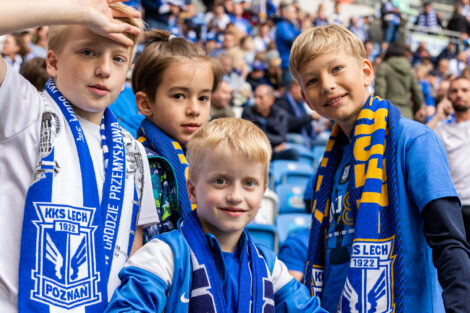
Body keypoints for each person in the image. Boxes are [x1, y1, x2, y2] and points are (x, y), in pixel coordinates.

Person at [289, 24, 470, 313]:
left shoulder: (414, 140)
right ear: (305, 97)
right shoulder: (327, 165)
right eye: (311, 81)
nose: (326, 84)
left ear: (366, 71)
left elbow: (448, 241)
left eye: (336, 69)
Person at [0, 1, 159, 312]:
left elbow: (132, 252)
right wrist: (76, 12)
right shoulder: (23, 110)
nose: (104, 68)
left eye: (118, 59)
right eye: (88, 51)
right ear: (53, 62)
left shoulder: (134, 151)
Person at [105, 117, 326, 312]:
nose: (235, 196)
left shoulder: (269, 265)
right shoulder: (163, 255)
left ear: (263, 191)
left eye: (249, 183)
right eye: (221, 181)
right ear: (192, 190)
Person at [131, 29, 223, 241]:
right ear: (146, 103)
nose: (194, 110)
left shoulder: (208, 157)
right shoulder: (138, 163)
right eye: (179, 96)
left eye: (203, 98)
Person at [429, 76, 470, 243]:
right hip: (455, 206)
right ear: (448, 97)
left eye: (465, 90)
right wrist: (438, 116)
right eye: (454, 91)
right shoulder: (442, 130)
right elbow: (419, 143)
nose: (459, 94)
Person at [242, 84, 298, 160]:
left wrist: (261, 135)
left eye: (260, 98)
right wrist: (274, 146)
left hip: (274, 152)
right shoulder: (248, 111)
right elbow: (250, 137)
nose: (256, 101)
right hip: (255, 151)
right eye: (255, 97)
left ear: (271, 100)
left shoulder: (280, 114)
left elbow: (281, 138)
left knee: (293, 153)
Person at [374, 43, 424, 120]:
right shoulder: (409, 69)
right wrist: (412, 111)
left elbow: (379, 93)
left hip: (388, 114)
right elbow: (418, 95)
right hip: (407, 115)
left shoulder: (384, 67)